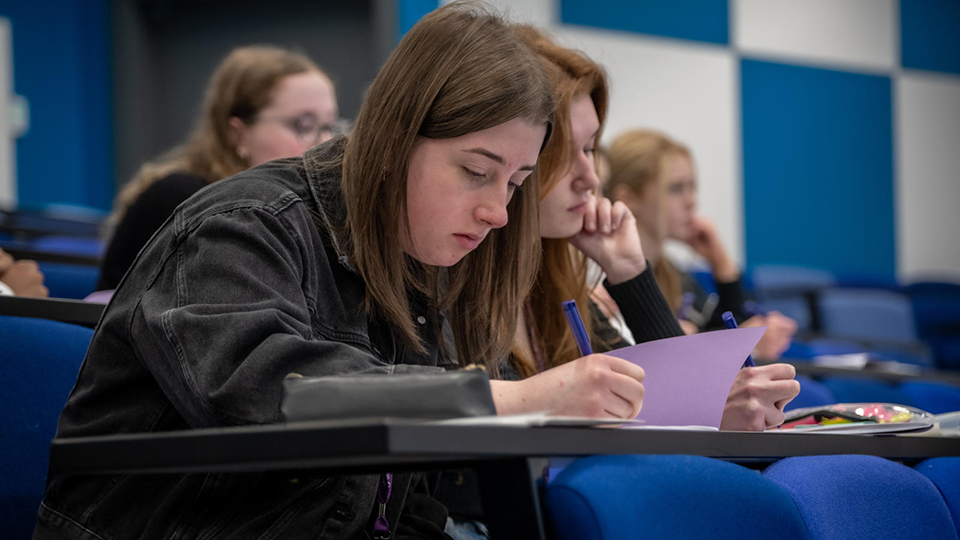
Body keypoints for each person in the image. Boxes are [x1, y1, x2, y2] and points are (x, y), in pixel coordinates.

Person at [34, 5, 585, 539]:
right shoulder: (243, 223)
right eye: (476, 171)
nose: (499, 212)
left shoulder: (417, 256)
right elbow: (267, 391)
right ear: (395, 141)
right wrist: (498, 399)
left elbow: (405, 500)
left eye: (515, 183)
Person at [511, 27, 799, 431]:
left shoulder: (571, 281)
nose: (591, 178)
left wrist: (631, 270)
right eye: (676, 188)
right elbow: (684, 404)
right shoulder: (579, 281)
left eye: (590, 149)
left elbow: (679, 398)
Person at [96, 45, 339, 291]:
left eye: (329, 126)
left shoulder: (306, 210)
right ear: (238, 133)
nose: (323, 144)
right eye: (304, 125)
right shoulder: (181, 197)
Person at [605, 129, 798, 360]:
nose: (691, 201)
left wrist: (722, 264)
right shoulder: (604, 283)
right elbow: (672, 361)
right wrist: (745, 345)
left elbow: (728, 327)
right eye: (676, 189)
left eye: (692, 187)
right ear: (628, 199)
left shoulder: (673, 274)